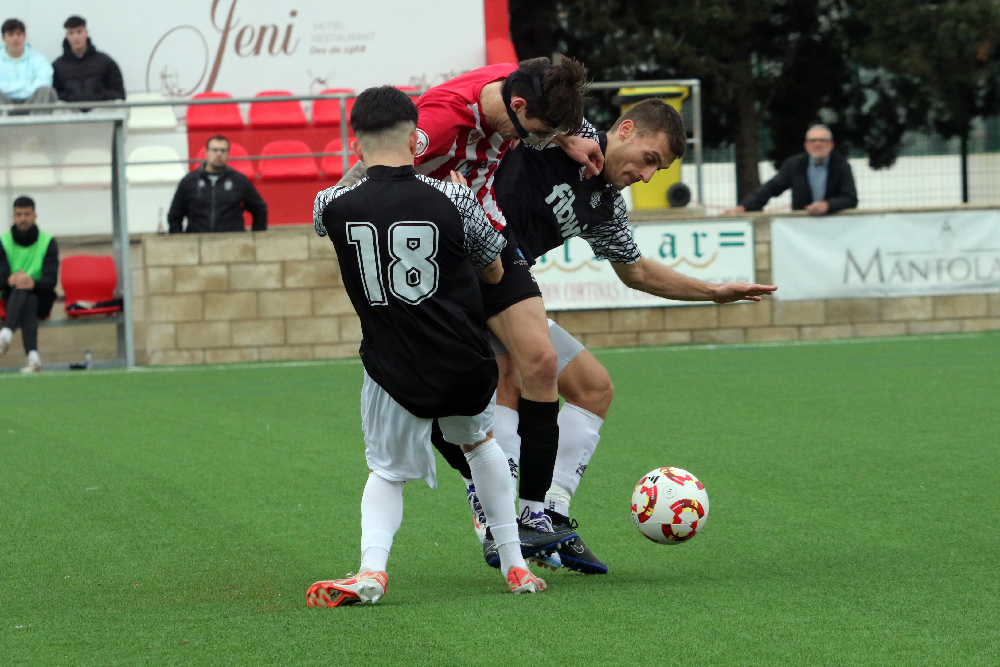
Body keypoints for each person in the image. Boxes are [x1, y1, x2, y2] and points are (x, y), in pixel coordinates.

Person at [433, 99, 777, 573]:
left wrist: (714, 292)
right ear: (627, 130)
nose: (648, 176)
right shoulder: (574, 128)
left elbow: (635, 271)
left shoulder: (607, 206)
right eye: (650, 159)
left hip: (507, 285)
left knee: (593, 387)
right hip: (462, 276)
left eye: (659, 169)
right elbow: (516, 103)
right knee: (517, 373)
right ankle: (498, 522)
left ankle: (548, 514)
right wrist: (560, 134)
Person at [320, 58, 601, 547]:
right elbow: (371, 170)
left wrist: (563, 136)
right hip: (436, 254)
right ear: (515, 107)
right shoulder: (439, 124)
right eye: (535, 132)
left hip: (486, 231)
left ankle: (534, 514)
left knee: (540, 359)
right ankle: (484, 497)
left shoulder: (520, 81)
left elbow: (548, 92)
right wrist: (341, 208)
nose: (534, 142)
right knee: (448, 380)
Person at [727, 124, 858, 216]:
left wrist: (827, 206)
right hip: (801, 225)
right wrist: (743, 207)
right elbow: (771, 188)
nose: (817, 144)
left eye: (822, 140)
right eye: (813, 140)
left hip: (835, 224)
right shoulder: (794, 165)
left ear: (831, 145)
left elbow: (851, 198)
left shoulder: (842, 166)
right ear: (806, 145)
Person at [0, 196, 59, 373]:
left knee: (28, 292)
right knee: (26, 297)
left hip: (42, 298)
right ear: (13, 216)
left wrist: (32, 282)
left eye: (27, 214)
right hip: (14, 299)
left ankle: (6, 333)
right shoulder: (3, 241)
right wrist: (9, 280)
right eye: (19, 214)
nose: (23, 218)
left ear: (35, 216)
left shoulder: (48, 242)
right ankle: (33, 356)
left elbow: (51, 280)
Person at [167, 135, 268, 233]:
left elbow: (259, 209)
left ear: (228, 154)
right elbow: (175, 215)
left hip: (233, 244)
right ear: (206, 153)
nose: (219, 154)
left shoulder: (239, 180)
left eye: (223, 150)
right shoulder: (189, 181)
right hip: (197, 244)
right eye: (215, 150)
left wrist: (256, 238)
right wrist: (180, 241)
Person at [52, 16, 125, 105]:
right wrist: (71, 97)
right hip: (71, 111)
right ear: (67, 36)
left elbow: (119, 93)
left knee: (120, 105)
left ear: (86, 33)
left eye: (79, 31)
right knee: (58, 107)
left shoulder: (105, 61)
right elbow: (54, 95)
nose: (76, 37)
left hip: (101, 109)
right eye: (71, 33)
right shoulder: (57, 66)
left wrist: (98, 95)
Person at [0, 19, 58, 111]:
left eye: (19, 34)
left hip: (33, 103)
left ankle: (36, 124)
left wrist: (10, 88)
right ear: (4, 38)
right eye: (10, 34)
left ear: (24, 37)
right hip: (4, 105)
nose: (15, 38)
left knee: (46, 91)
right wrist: (26, 84)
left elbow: (44, 83)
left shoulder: (39, 60)